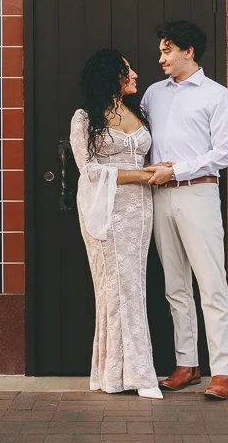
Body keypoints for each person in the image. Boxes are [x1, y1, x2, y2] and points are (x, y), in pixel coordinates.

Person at [141, 20, 228, 400]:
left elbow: (222, 154)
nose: (161, 57)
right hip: (160, 198)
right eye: (161, 50)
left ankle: (223, 371)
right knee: (175, 287)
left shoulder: (216, 95)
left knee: (212, 285)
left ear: (188, 52)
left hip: (198, 193)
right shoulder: (152, 94)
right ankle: (187, 364)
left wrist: (175, 169)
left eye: (167, 50)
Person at [69, 48, 163, 400]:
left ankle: (120, 373)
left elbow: (146, 155)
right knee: (113, 288)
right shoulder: (85, 117)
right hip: (104, 209)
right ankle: (129, 375)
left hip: (140, 211)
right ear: (111, 75)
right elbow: (89, 170)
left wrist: (156, 168)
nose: (136, 74)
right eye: (128, 70)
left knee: (134, 286)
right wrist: (142, 174)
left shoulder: (138, 111)